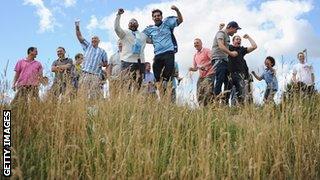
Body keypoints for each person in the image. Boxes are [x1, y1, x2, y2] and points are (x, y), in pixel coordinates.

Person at [143, 6, 183, 97]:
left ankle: (167, 85)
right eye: (155, 16)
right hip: (158, 54)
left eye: (158, 15)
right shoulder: (150, 29)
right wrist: (153, 41)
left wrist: (177, 10)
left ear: (161, 16)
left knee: (168, 72)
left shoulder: (167, 23)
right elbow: (142, 38)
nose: (157, 17)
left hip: (168, 52)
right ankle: (162, 91)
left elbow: (180, 20)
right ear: (152, 18)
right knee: (157, 75)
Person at [114, 8, 148, 91]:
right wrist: (118, 15)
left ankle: (136, 101)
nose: (133, 23)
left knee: (138, 84)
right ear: (128, 25)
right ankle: (126, 101)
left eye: (135, 22)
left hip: (140, 62)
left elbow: (153, 40)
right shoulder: (124, 33)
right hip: (127, 60)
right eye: (131, 22)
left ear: (138, 25)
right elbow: (116, 28)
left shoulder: (143, 35)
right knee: (126, 84)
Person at [75, 20, 108, 100]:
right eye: (92, 39)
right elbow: (80, 37)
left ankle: (93, 111)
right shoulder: (88, 46)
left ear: (99, 41)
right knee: (82, 94)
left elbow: (106, 63)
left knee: (95, 95)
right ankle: (81, 110)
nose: (93, 40)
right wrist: (77, 27)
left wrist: (102, 64)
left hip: (96, 75)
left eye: (95, 39)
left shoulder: (102, 51)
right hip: (85, 73)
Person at [211, 21, 240, 102]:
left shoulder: (226, 36)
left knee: (229, 82)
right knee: (219, 80)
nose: (236, 32)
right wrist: (231, 53)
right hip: (218, 60)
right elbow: (220, 45)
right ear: (230, 27)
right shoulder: (221, 33)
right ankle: (215, 103)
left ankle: (224, 102)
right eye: (235, 29)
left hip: (225, 61)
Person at [228, 34, 257, 104]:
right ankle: (233, 109)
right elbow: (220, 44)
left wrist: (249, 37)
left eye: (240, 40)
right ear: (233, 41)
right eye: (237, 39)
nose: (239, 40)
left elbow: (254, 46)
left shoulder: (242, 49)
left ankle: (240, 108)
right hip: (230, 74)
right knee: (230, 93)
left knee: (240, 93)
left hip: (240, 74)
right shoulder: (229, 47)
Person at [189, 38, 214, 106]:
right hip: (201, 75)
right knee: (199, 92)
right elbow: (196, 68)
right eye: (194, 43)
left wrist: (204, 65)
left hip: (210, 73)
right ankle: (202, 109)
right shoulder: (195, 55)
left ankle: (211, 107)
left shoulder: (207, 50)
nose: (196, 44)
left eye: (197, 42)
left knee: (208, 91)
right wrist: (192, 69)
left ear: (201, 43)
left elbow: (213, 60)